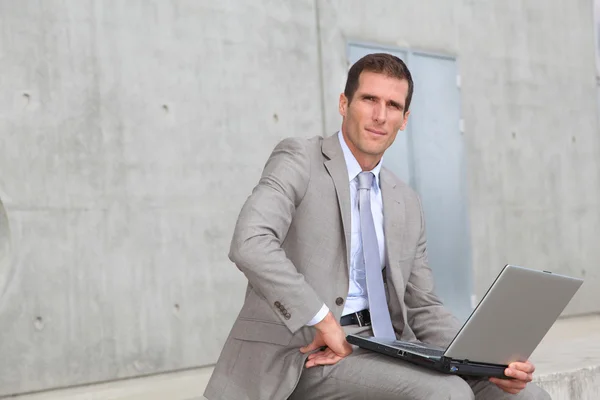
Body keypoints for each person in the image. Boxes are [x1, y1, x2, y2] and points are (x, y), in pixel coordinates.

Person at [204, 53, 550, 400]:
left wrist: (489, 360)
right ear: (344, 103)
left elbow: (423, 307)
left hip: (386, 346)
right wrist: (321, 318)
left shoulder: (406, 200)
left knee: (527, 396)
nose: (380, 116)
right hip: (304, 350)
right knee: (447, 394)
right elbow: (250, 242)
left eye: (393, 105)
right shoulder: (300, 159)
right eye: (369, 99)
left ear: (404, 119)